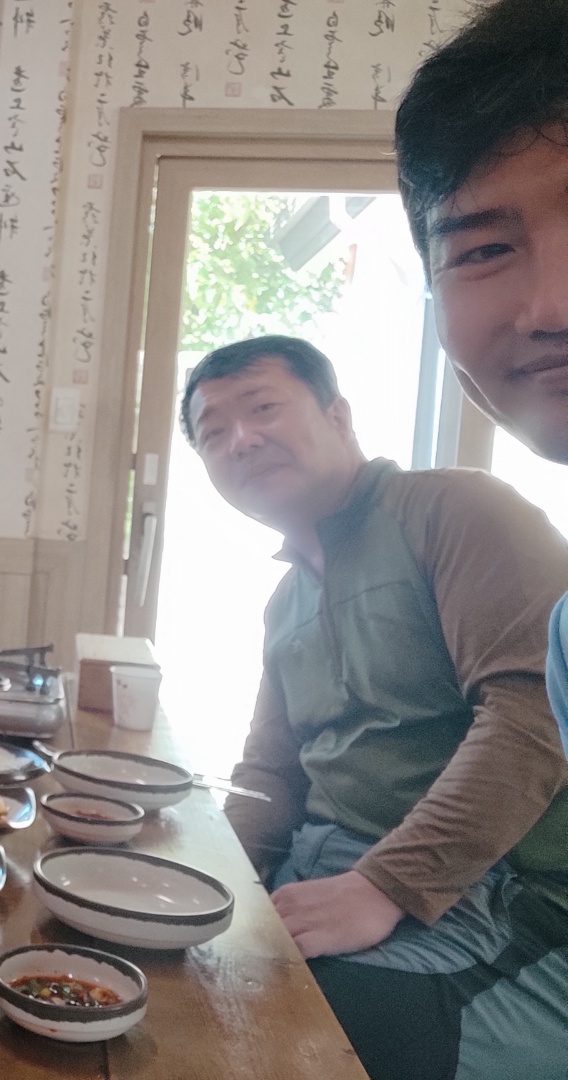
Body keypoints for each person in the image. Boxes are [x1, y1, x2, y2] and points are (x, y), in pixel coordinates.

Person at [180, 334, 568, 1080]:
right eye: (213, 432)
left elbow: (533, 713)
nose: (241, 440)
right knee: (166, 970)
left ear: (339, 414)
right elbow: (271, 773)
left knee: (292, 1034)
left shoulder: (456, 510)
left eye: (262, 408)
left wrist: (385, 884)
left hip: (505, 894)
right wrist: (210, 880)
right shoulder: (285, 601)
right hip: (331, 866)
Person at [394, 0, 568, 759]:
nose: (552, 307)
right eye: (484, 250)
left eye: (264, 406)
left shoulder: (453, 515)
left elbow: (517, 736)